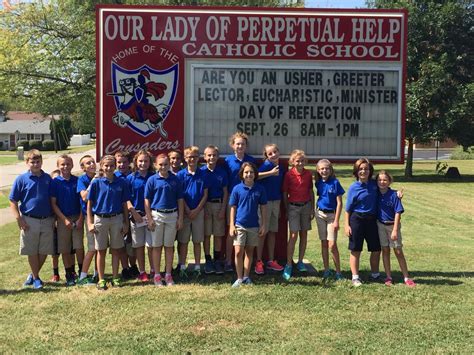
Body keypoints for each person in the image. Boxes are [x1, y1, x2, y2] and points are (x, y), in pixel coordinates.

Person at [9, 149, 54, 289]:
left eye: (38, 161)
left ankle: (33, 274)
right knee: (32, 250)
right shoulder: (21, 179)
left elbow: (53, 200)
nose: (35, 164)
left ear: (41, 162)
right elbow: (13, 201)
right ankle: (36, 278)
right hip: (29, 220)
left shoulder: (48, 178)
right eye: (32, 162)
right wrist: (19, 219)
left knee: (44, 250)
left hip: (47, 219)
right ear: (27, 163)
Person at [87, 155, 130, 290]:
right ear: (102, 166)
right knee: (101, 250)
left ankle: (116, 276)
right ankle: (101, 279)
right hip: (100, 218)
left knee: (116, 250)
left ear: (115, 166)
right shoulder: (96, 182)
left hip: (117, 218)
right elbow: (90, 204)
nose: (109, 168)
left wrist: (126, 223)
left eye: (112, 165)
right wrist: (90, 222)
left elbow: (125, 204)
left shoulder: (121, 183)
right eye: (106, 165)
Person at [145, 154, 184, 286]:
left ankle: (168, 274)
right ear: (156, 165)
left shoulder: (175, 179)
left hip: (172, 216)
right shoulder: (152, 180)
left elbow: (180, 200)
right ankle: (157, 275)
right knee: (156, 247)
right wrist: (149, 218)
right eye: (160, 164)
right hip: (157, 215)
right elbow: (147, 200)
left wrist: (180, 218)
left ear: (169, 165)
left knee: (169, 246)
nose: (163, 167)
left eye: (166, 164)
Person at [228, 162, 267, 287]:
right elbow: (233, 208)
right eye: (246, 172)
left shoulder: (260, 189)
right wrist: (232, 225)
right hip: (239, 224)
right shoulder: (237, 189)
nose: (249, 174)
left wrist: (264, 224)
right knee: (239, 251)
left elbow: (263, 208)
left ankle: (246, 276)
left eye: (251, 172)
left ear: (255, 174)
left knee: (249, 251)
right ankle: (239, 278)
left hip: (254, 225)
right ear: (242, 174)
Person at [344, 158, 381, 287]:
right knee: (356, 249)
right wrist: (346, 225)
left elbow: (387, 189)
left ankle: (375, 274)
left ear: (370, 171)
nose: (363, 171)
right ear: (356, 171)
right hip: (357, 219)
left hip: (372, 220)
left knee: (376, 249)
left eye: (366, 169)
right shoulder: (354, 187)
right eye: (360, 169)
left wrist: (397, 194)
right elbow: (348, 209)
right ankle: (355, 277)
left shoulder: (375, 184)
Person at [223, 132, 256, 272]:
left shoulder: (251, 160)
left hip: (248, 197)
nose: (240, 146)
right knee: (232, 229)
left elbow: (257, 175)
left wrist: (271, 173)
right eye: (237, 144)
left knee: (246, 228)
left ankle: (246, 263)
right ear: (233, 145)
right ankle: (228, 261)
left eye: (242, 144)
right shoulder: (227, 161)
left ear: (246, 146)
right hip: (232, 197)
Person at [376, 171, 416, 287]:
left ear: (389, 182)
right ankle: (388, 276)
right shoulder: (375, 193)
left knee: (398, 250)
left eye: (385, 180)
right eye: (379, 180)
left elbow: (398, 212)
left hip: (393, 225)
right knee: (385, 250)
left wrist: (394, 229)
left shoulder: (394, 195)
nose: (382, 182)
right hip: (380, 225)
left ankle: (406, 277)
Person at [50, 154, 84, 286]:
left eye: (68, 164)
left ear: (72, 165)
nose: (65, 167)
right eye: (62, 165)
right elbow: (53, 203)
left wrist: (81, 218)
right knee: (64, 248)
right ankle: (69, 273)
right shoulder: (55, 183)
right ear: (58, 166)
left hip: (77, 216)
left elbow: (83, 202)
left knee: (79, 246)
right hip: (62, 218)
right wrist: (63, 220)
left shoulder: (77, 180)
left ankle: (82, 272)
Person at [176, 146, 209, 279]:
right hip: (185, 212)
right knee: (183, 241)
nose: (192, 159)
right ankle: (182, 267)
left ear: (198, 158)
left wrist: (196, 210)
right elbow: (180, 195)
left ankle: (197, 267)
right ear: (185, 159)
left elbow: (205, 195)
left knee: (197, 240)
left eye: (195, 157)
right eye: (189, 157)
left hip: (198, 212)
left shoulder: (203, 174)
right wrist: (188, 209)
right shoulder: (180, 175)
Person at [282, 149, 315, 281]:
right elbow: (285, 193)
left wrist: (312, 208)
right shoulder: (289, 175)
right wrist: (286, 208)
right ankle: (289, 264)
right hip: (293, 207)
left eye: (302, 160)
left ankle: (300, 261)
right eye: (297, 161)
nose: (300, 163)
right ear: (292, 162)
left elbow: (311, 191)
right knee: (294, 235)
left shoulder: (308, 174)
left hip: (306, 206)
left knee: (304, 234)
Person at [255, 143, 285, 275]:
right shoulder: (267, 165)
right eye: (270, 153)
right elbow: (256, 175)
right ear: (266, 156)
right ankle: (258, 261)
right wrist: (270, 173)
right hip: (265, 203)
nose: (273, 155)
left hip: (276, 201)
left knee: (272, 231)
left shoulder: (281, 167)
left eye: (275, 152)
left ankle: (271, 260)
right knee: (263, 232)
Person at [127, 149, 155, 282]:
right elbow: (126, 199)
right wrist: (133, 212)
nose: (143, 163)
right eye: (140, 161)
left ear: (150, 163)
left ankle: (154, 270)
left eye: (146, 161)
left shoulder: (154, 176)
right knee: (139, 245)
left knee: (151, 245)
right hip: (136, 216)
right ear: (136, 162)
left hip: (151, 215)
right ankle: (142, 271)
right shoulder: (131, 178)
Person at [314, 159, 345, 281]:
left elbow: (339, 203)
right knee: (323, 243)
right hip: (320, 214)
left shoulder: (335, 183)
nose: (324, 170)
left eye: (326, 168)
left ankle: (338, 272)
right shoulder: (318, 182)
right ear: (318, 170)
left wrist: (337, 220)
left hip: (332, 216)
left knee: (332, 244)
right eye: (321, 169)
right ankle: (327, 270)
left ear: (330, 169)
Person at [201, 145, 228, 275]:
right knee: (206, 234)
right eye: (209, 155)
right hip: (205, 205)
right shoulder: (201, 172)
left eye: (214, 155)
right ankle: (208, 260)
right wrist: (202, 208)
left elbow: (225, 192)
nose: (212, 157)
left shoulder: (222, 172)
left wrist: (223, 208)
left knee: (218, 234)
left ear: (218, 157)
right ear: (205, 157)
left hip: (218, 204)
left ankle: (217, 260)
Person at [114, 151, 138, 279]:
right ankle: (125, 268)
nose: (122, 165)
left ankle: (133, 266)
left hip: (133, 213)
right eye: (119, 162)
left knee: (132, 243)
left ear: (129, 163)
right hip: (119, 214)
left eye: (124, 162)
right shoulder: (113, 176)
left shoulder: (133, 176)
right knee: (121, 243)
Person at [76, 155, 99, 286]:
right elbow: (84, 197)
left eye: (92, 162)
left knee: (100, 247)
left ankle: (97, 273)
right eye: (87, 163)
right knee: (92, 247)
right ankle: (83, 276)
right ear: (83, 167)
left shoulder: (100, 176)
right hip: (89, 217)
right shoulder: (82, 180)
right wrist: (93, 182)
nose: (91, 164)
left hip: (101, 215)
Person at [50, 169, 61, 283]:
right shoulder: (51, 192)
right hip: (53, 224)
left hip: (64, 222)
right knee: (55, 252)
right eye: (54, 178)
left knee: (70, 250)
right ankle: (56, 273)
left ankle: (72, 271)